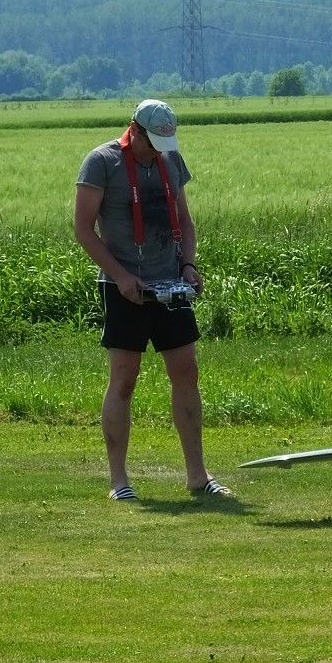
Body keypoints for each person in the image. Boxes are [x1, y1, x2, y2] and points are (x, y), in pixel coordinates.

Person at [73, 99, 231, 501]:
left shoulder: (171, 159)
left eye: (165, 141)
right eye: (151, 141)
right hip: (123, 286)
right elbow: (83, 229)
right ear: (134, 129)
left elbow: (185, 219)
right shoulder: (101, 162)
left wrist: (189, 266)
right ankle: (118, 481)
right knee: (124, 379)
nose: (158, 149)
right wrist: (121, 276)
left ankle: (198, 476)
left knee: (187, 372)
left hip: (171, 285)